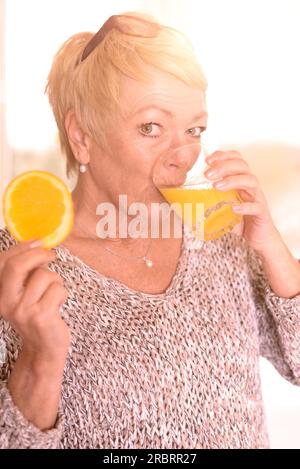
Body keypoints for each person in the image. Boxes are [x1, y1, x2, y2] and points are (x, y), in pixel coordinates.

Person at [0, 11, 299, 449]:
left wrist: (274, 250)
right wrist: (41, 360)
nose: (184, 155)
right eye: (150, 127)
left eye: (194, 129)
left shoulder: (219, 240)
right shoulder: (18, 270)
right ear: (82, 135)